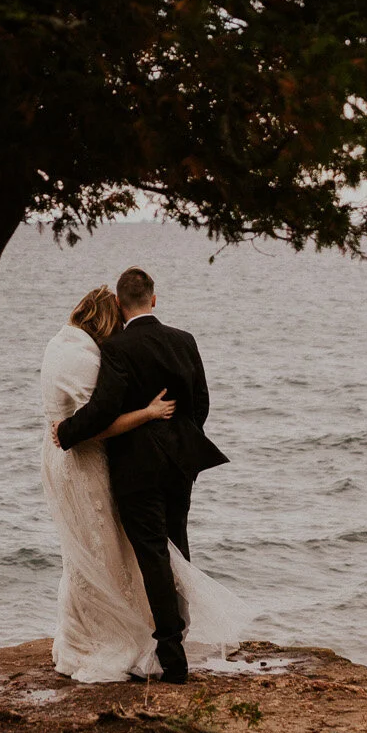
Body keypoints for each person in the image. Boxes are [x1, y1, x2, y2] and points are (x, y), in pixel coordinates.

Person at [42, 268, 244, 684]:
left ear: (119, 304)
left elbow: (102, 410)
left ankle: (170, 653)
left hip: (137, 469)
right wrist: (178, 445)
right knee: (177, 545)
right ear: (154, 299)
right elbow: (201, 404)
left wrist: (66, 431)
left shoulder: (117, 348)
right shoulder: (185, 341)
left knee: (151, 553)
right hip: (180, 467)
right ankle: (181, 632)